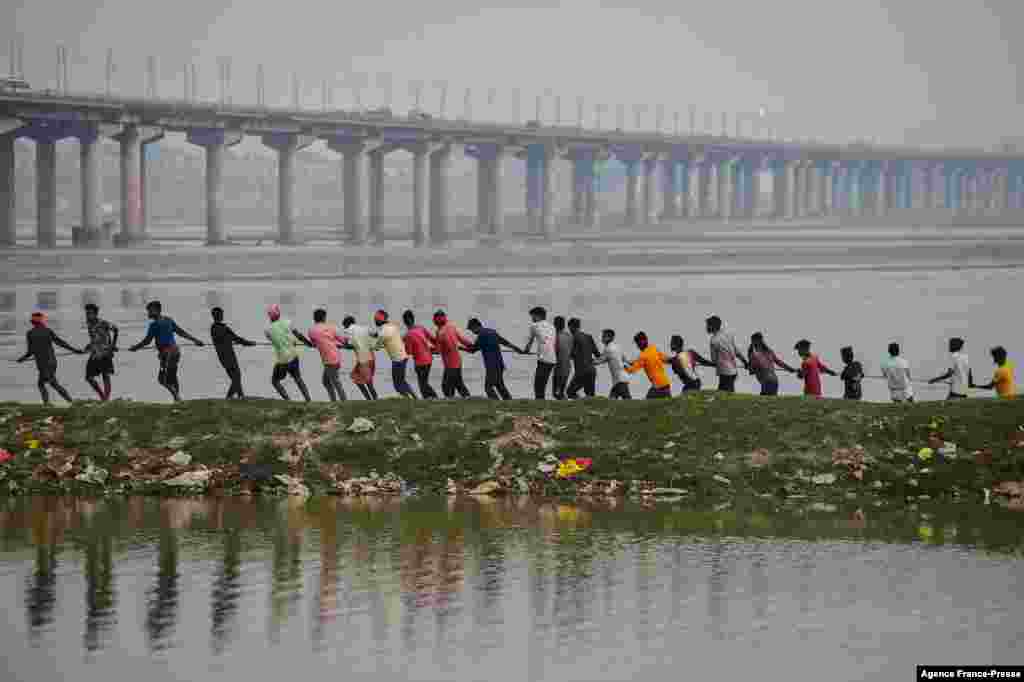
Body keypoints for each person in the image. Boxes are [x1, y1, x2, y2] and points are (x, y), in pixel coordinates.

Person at [129, 300, 205, 402]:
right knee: (173, 377)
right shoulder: (169, 320)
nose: (148, 313)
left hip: (167, 354)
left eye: (150, 311)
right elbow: (181, 333)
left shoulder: (154, 325)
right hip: (176, 352)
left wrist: (135, 348)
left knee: (162, 380)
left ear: (157, 310)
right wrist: (196, 340)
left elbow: (147, 341)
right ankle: (177, 399)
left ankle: (177, 397)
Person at [17, 311, 83, 405]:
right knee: (46, 383)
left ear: (33, 322)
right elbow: (61, 343)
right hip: (52, 362)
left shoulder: (30, 333)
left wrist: (22, 359)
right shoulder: (47, 331)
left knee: (49, 384)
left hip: (44, 364)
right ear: (42, 322)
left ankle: (66, 403)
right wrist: (75, 350)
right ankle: (57, 403)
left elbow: (30, 352)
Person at [264, 304, 313, 402]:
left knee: (275, 381)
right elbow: (298, 335)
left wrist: (289, 341)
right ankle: (308, 400)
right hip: (293, 356)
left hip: (282, 360)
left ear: (269, 316)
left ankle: (288, 400)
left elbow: (275, 340)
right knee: (298, 378)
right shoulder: (288, 322)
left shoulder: (267, 330)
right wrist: (309, 344)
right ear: (279, 313)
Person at [464, 318, 523, 399]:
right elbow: (505, 343)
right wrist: (517, 349)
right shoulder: (492, 332)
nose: (472, 332)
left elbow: (472, 350)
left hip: (492, 365)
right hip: (499, 364)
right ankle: (508, 401)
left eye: (471, 329)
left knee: (488, 387)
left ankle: (495, 402)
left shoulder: (482, 334)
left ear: (476, 326)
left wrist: (458, 347)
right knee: (499, 385)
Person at [210, 307, 256, 400]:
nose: (221, 316)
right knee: (237, 377)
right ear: (217, 316)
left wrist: (247, 343)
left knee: (235, 376)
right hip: (227, 356)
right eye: (220, 314)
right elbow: (234, 338)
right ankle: (229, 397)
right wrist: (247, 343)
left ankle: (241, 396)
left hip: (226, 355)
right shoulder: (218, 328)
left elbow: (235, 338)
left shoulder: (218, 327)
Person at [696, 315, 749, 392]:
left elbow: (714, 360)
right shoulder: (728, 335)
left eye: (708, 325)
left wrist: (706, 363)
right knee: (727, 391)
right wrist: (745, 362)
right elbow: (737, 352)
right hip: (733, 370)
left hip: (724, 372)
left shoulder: (713, 340)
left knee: (724, 393)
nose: (706, 327)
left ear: (713, 326)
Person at [374, 310, 417, 399]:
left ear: (379, 321)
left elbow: (376, 347)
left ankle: (410, 399)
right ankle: (414, 397)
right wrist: (376, 335)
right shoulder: (392, 326)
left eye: (375, 320)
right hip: (403, 356)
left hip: (397, 360)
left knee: (397, 385)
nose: (374, 321)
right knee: (402, 381)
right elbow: (386, 335)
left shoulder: (382, 333)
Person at [308, 309, 347, 402]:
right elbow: (343, 341)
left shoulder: (311, 330)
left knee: (335, 382)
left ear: (314, 318)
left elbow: (314, 342)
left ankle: (343, 402)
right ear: (324, 318)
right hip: (335, 357)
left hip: (329, 360)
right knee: (327, 381)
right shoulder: (332, 327)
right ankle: (335, 400)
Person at [83, 303, 119, 401]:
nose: (87, 316)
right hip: (94, 353)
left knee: (105, 376)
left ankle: (106, 399)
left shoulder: (103, 323)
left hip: (105, 352)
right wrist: (89, 345)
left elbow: (116, 330)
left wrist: (112, 346)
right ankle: (102, 396)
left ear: (95, 314)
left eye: (90, 313)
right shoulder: (89, 324)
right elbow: (94, 338)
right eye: (86, 313)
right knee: (89, 377)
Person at [433, 310, 472, 398]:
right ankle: (468, 398)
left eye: (435, 320)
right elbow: (462, 339)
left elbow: (437, 351)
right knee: (458, 384)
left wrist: (428, 350)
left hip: (450, 364)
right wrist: (472, 346)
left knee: (446, 386)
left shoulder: (439, 332)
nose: (434, 322)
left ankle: (451, 400)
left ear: (437, 320)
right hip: (458, 361)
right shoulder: (451, 327)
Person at [521, 306, 557, 399]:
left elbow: (529, 342)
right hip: (552, 358)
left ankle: (540, 403)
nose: (532, 319)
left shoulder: (534, 326)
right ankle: (541, 402)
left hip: (543, 358)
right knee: (543, 383)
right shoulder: (552, 326)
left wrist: (525, 351)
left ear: (538, 316)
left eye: (532, 316)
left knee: (538, 385)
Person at [746, 332, 796, 396]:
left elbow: (753, 369)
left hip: (766, 381)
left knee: (764, 401)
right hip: (774, 380)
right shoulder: (769, 351)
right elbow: (779, 362)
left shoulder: (754, 354)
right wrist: (790, 369)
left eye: (753, 341)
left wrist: (750, 368)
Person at [341, 315, 379, 400]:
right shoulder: (365, 328)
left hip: (363, 359)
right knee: (357, 377)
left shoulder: (348, 330)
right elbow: (376, 335)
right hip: (371, 357)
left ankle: (372, 399)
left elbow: (347, 344)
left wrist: (342, 346)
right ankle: (371, 399)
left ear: (347, 324)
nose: (344, 328)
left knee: (365, 381)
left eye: (344, 326)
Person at [403, 310, 438, 399]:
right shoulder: (421, 328)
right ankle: (428, 399)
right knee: (423, 383)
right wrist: (436, 349)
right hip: (429, 360)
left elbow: (409, 352)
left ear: (405, 322)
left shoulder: (408, 335)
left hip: (420, 363)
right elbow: (433, 340)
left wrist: (403, 345)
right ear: (413, 319)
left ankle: (435, 397)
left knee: (422, 384)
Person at [626, 332, 672, 398]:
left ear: (643, 341)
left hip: (657, 386)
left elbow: (632, 370)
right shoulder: (654, 349)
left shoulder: (643, 356)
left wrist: (622, 366)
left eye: (637, 343)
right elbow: (666, 359)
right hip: (666, 383)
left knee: (647, 404)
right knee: (670, 404)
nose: (637, 346)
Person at [566, 318, 601, 399]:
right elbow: (598, 355)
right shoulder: (588, 337)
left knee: (570, 392)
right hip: (591, 370)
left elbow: (571, 354)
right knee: (590, 395)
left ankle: (581, 403)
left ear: (570, 327)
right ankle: (589, 408)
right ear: (579, 326)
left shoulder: (572, 338)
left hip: (581, 371)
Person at [594, 329, 631, 399]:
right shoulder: (618, 347)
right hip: (622, 378)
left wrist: (586, 361)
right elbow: (626, 360)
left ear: (609, 338)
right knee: (613, 399)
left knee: (627, 399)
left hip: (619, 380)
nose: (602, 338)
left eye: (603, 336)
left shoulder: (608, 349)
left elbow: (598, 361)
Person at [552, 316, 573, 400]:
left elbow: (555, 350)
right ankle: (565, 401)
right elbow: (571, 349)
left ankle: (564, 402)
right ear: (564, 325)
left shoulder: (555, 336)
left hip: (559, 367)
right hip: (567, 366)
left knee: (556, 393)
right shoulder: (569, 336)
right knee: (561, 391)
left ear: (554, 325)